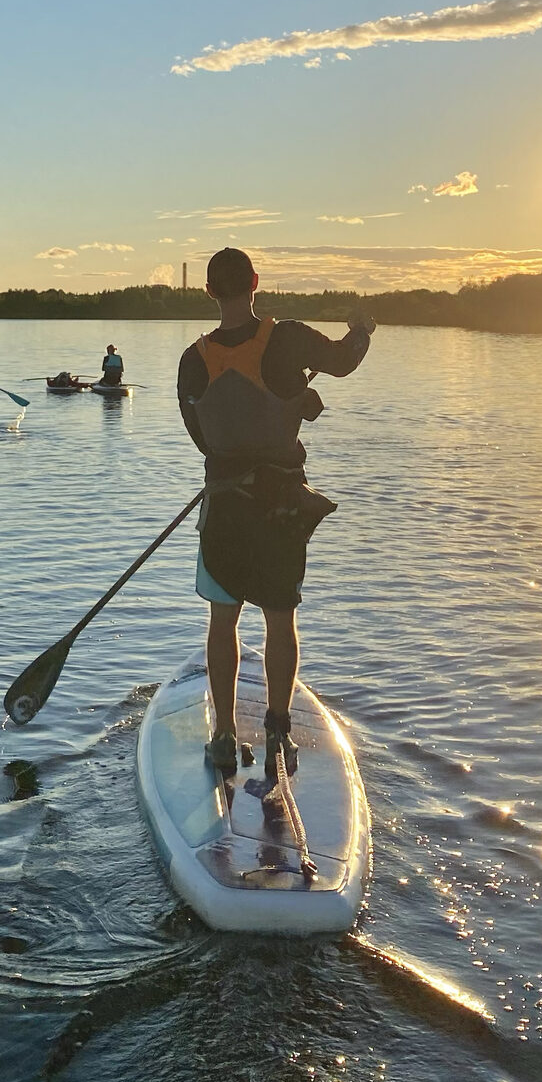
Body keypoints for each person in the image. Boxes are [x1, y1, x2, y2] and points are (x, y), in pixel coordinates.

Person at [177, 246, 374, 782]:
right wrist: (362, 331)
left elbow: (202, 440)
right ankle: (278, 731)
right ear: (256, 283)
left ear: (211, 292)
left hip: (223, 511)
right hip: (280, 509)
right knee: (280, 618)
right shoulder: (287, 338)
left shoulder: (192, 361)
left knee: (223, 620)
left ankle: (222, 737)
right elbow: (342, 360)